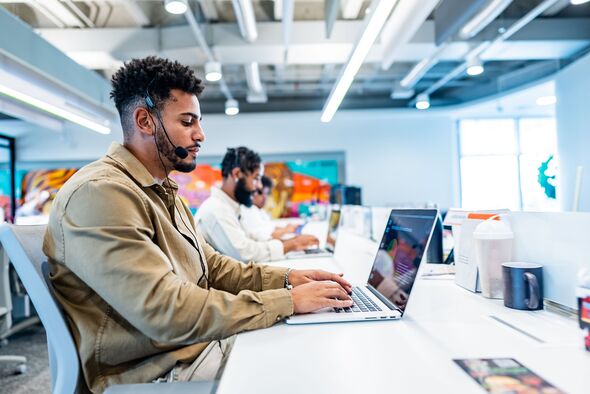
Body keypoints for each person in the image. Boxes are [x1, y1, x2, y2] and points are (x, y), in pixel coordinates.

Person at [42, 56, 353, 394]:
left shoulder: (162, 190)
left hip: (191, 346)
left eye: (198, 122)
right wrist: (287, 301)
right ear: (145, 121)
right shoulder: (101, 194)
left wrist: (289, 279)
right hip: (155, 368)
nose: (200, 135)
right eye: (187, 122)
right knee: (310, 359)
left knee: (313, 335)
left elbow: (213, 269)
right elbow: (166, 311)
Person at [195, 147, 318, 262]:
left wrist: (290, 241)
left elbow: (250, 238)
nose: (259, 186)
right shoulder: (217, 210)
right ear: (237, 174)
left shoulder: (230, 207)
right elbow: (244, 254)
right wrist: (292, 245)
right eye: (256, 178)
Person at [239, 175, 299, 241]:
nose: (264, 197)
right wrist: (286, 230)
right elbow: (266, 237)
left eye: (267, 194)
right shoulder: (248, 210)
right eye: (260, 193)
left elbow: (270, 227)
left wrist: (287, 227)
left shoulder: (260, 210)